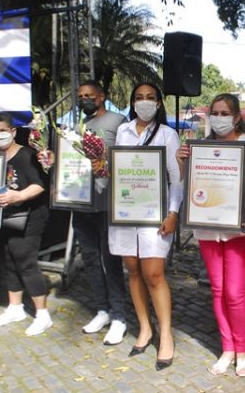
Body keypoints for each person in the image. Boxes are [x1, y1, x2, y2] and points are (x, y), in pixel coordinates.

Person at [176, 93, 245, 378]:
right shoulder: (200, 147)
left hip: (239, 230)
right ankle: (228, 348)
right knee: (218, 290)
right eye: (215, 113)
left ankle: (243, 350)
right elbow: (187, 182)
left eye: (225, 113)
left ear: (237, 118)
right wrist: (182, 161)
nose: (219, 118)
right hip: (207, 227)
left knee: (235, 292)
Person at [109, 83, 181, 370]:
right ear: (132, 102)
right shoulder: (123, 131)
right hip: (126, 211)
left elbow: (176, 178)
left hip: (155, 214)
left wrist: (173, 212)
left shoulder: (167, 134)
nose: (144, 102)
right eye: (139, 98)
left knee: (154, 273)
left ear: (159, 103)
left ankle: (166, 335)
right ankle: (145, 328)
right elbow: (119, 169)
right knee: (133, 270)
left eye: (150, 98)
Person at [72, 80, 129, 344]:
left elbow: (128, 156)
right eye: (81, 96)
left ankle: (119, 316)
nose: (85, 99)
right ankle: (102, 310)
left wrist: (106, 163)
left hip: (108, 203)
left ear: (102, 96)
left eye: (90, 95)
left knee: (111, 260)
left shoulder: (119, 122)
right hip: (81, 202)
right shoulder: (78, 126)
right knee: (90, 258)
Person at [0, 112, 53, 336]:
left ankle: (42, 314)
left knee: (26, 262)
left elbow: (40, 184)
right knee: (8, 259)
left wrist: (19, 196)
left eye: (3, 130)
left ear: (13, 131)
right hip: (4, 218)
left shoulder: (27, 155)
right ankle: (15, 307)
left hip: (30, 217)